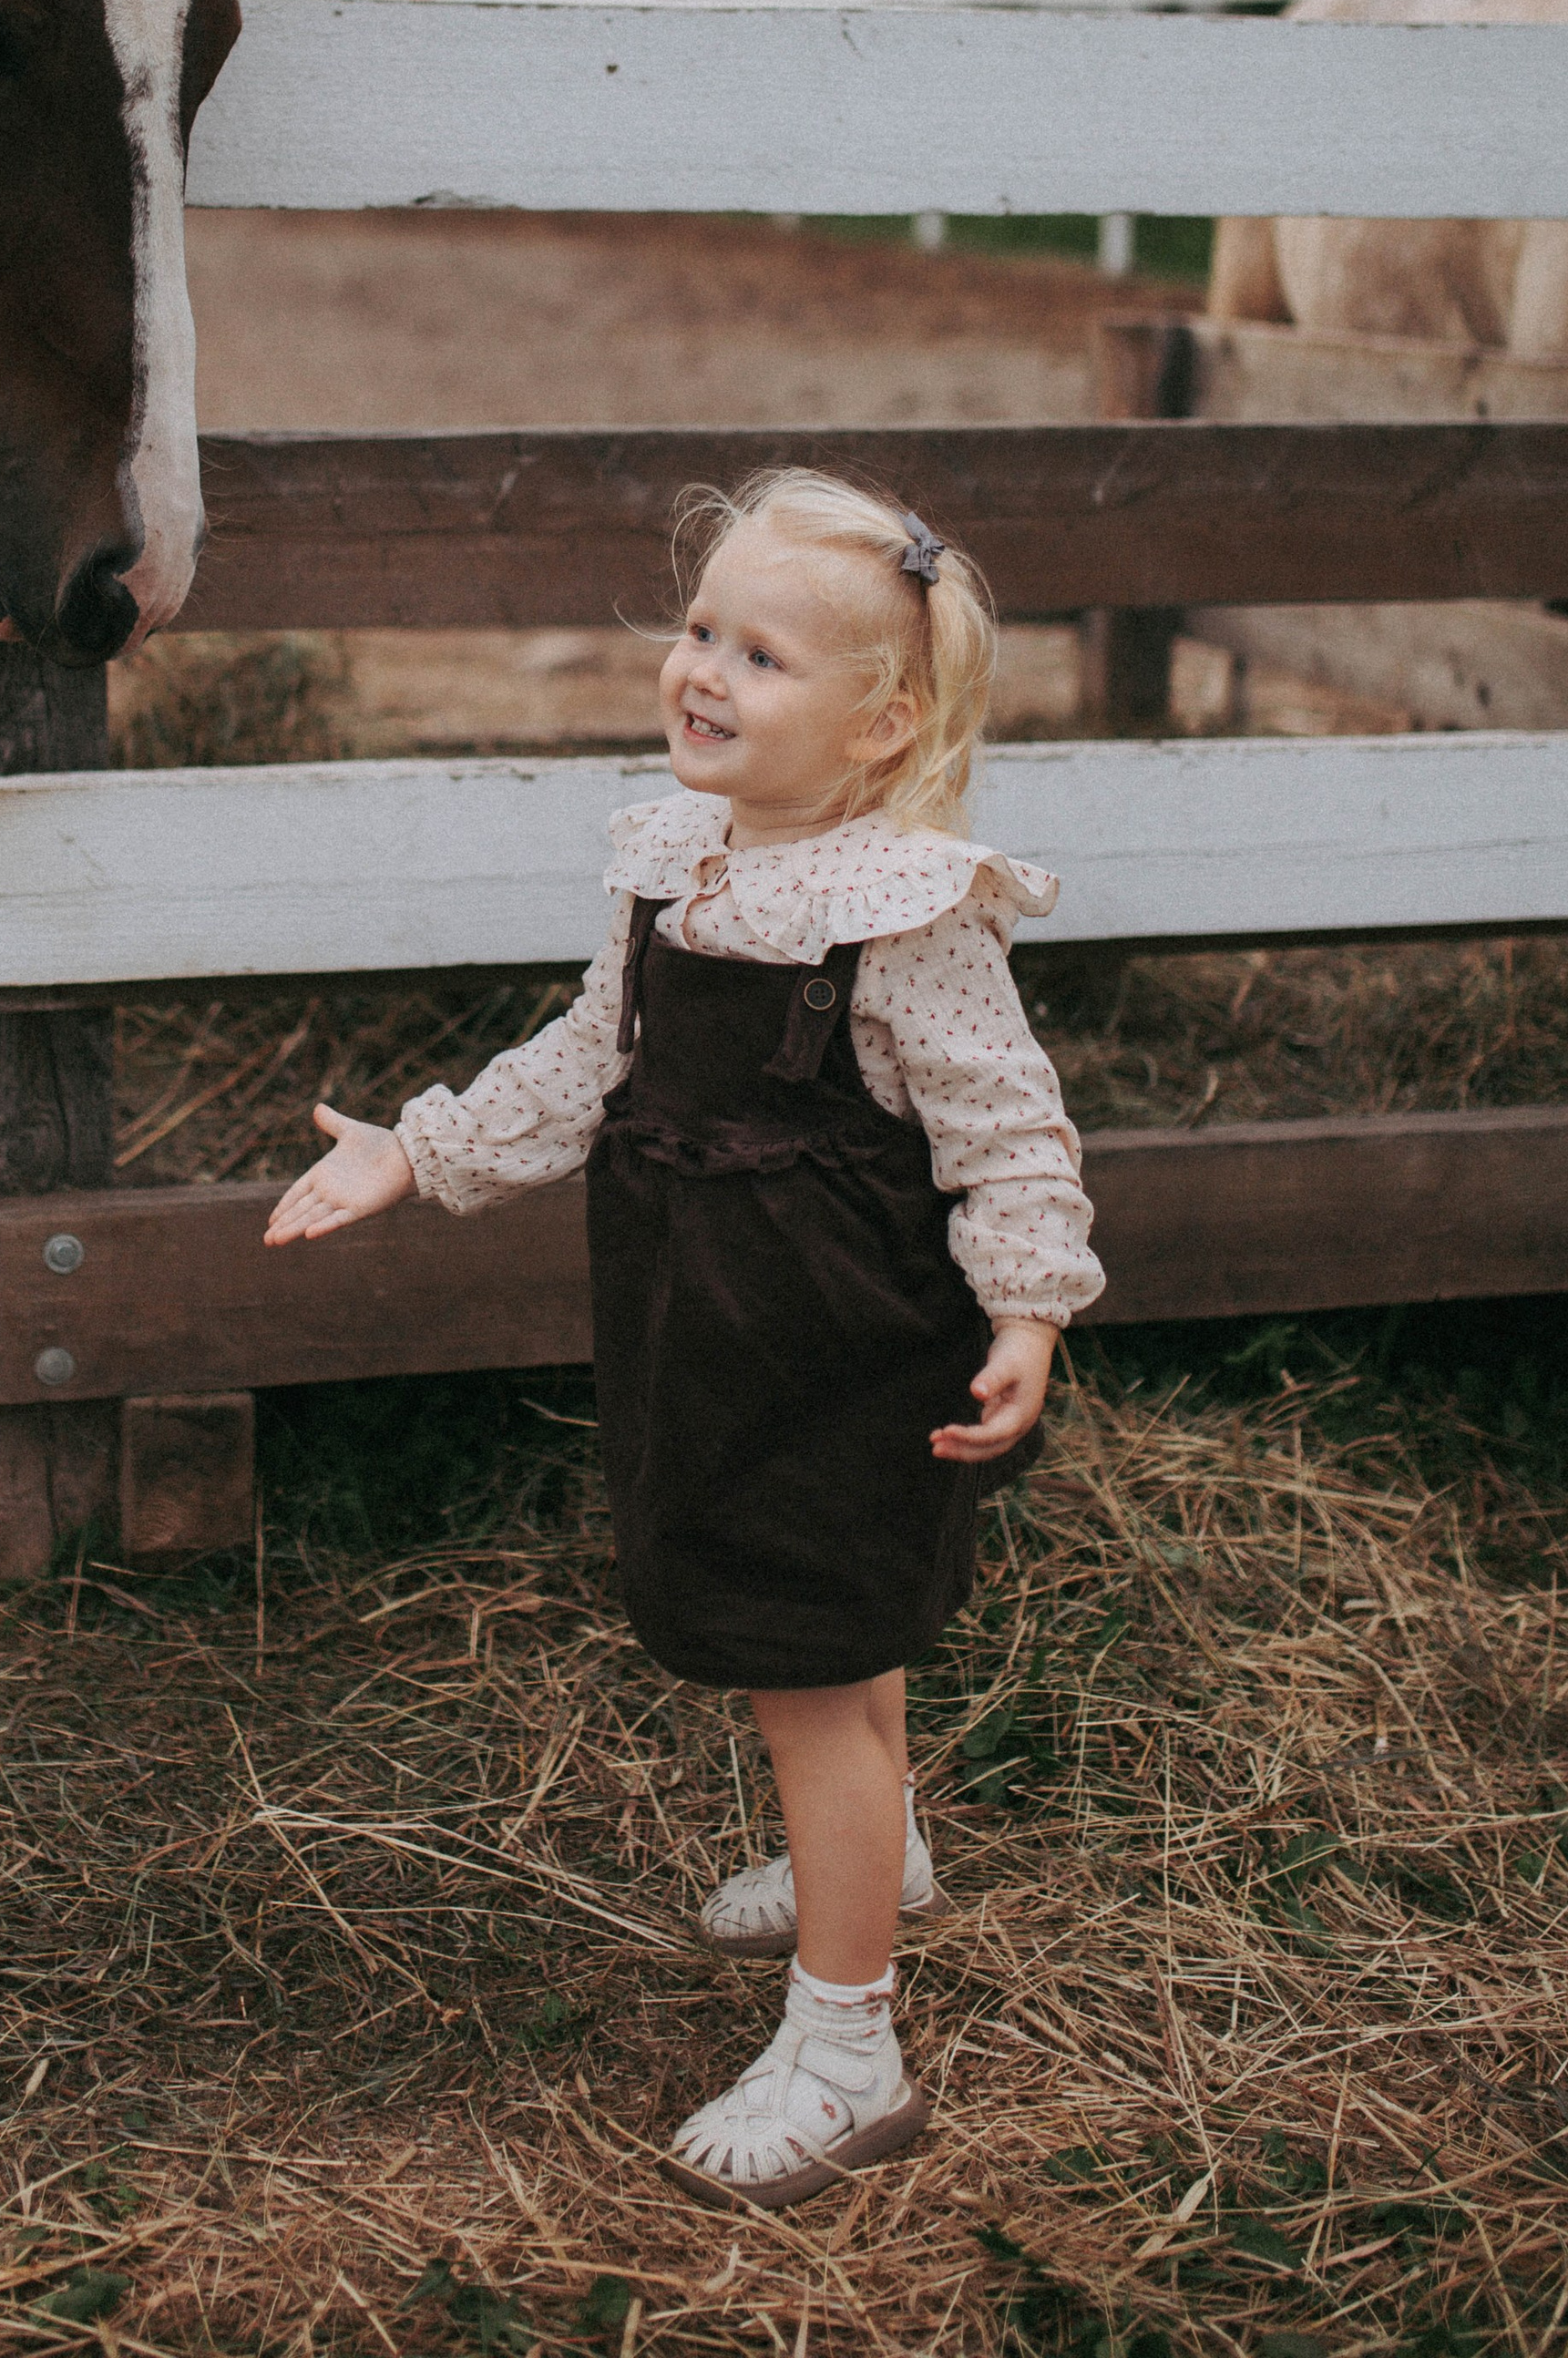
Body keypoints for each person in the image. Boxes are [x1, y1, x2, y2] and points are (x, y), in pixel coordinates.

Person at [265, 469, 1102, 2208]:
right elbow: (591, 1058)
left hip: (846, 1345)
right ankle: (874, 1858)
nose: (703, 670)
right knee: (821, 1638)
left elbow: (1006, 1127)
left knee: (803, 1657)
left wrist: (1029, 1304)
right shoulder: (678, 865)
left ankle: (850, 2047)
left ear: (880, 724)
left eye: (763, 655)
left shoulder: (906, 909)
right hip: (708, 1330)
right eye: (699, 630)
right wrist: (417, 1154)